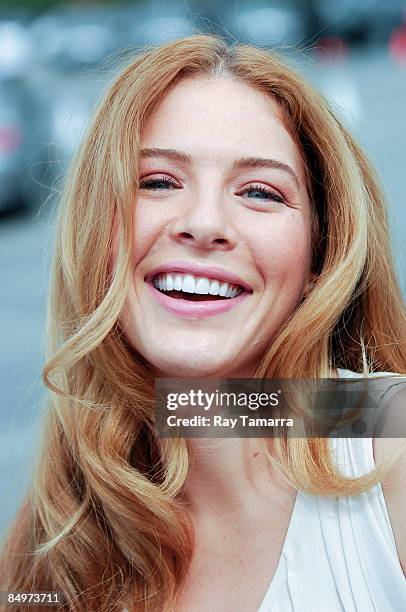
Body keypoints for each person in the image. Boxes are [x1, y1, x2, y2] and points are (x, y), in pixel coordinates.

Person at [1, 34, 405, 612]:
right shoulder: (57, 538)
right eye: (158, 182)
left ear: (321, 254)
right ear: (99, 234)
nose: (205, 222)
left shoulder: (387, 442)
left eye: (261, 193)